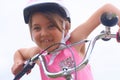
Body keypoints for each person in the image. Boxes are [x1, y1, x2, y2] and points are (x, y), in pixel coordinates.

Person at [11, 0, 120, 80]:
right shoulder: (39, 54)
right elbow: (20, 52)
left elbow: (108, 9)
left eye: (51, 26)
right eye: (37, 28)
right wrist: (18, 63)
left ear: (66, 27)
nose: (43, 33)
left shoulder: (74, 41)